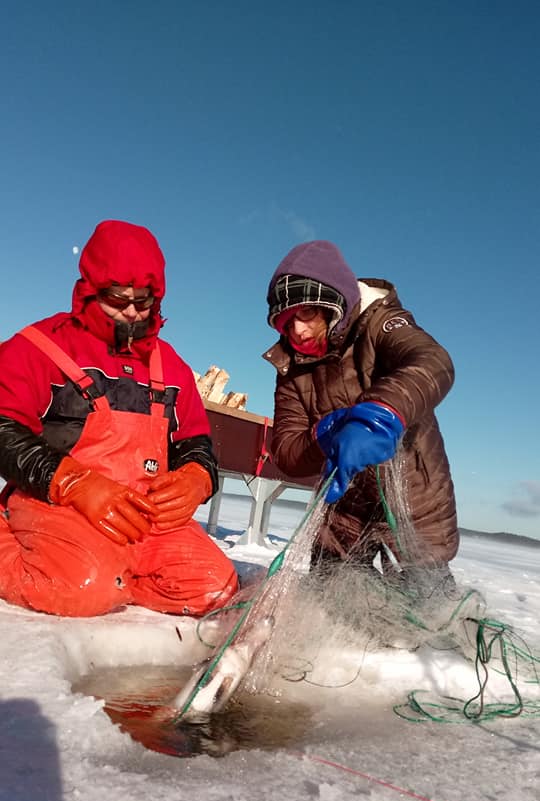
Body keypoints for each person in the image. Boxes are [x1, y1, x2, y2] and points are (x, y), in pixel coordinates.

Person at [0, 219, 238, 618]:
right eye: (117, 298)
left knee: (214, 589)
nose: (131, 312)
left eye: (142, 301)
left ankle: (118, 578)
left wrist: (197, 477)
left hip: (143, 521)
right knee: (81, 589)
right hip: (56, 507)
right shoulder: (37, 347)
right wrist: (74, 483)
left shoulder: (172, 366)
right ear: (90, 291)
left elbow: (195, 441)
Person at [263, 240, 459, 577]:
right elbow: (285, 451)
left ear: (333, 303)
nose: (297, 329)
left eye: (307, 312)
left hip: (413, 503)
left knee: (425, 606)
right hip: (344, 511)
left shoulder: (381, 323)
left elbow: (433, 362)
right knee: (329, 603)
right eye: (286, 320)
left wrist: (381, 413)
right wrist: (324, 435)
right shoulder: (291, 368)